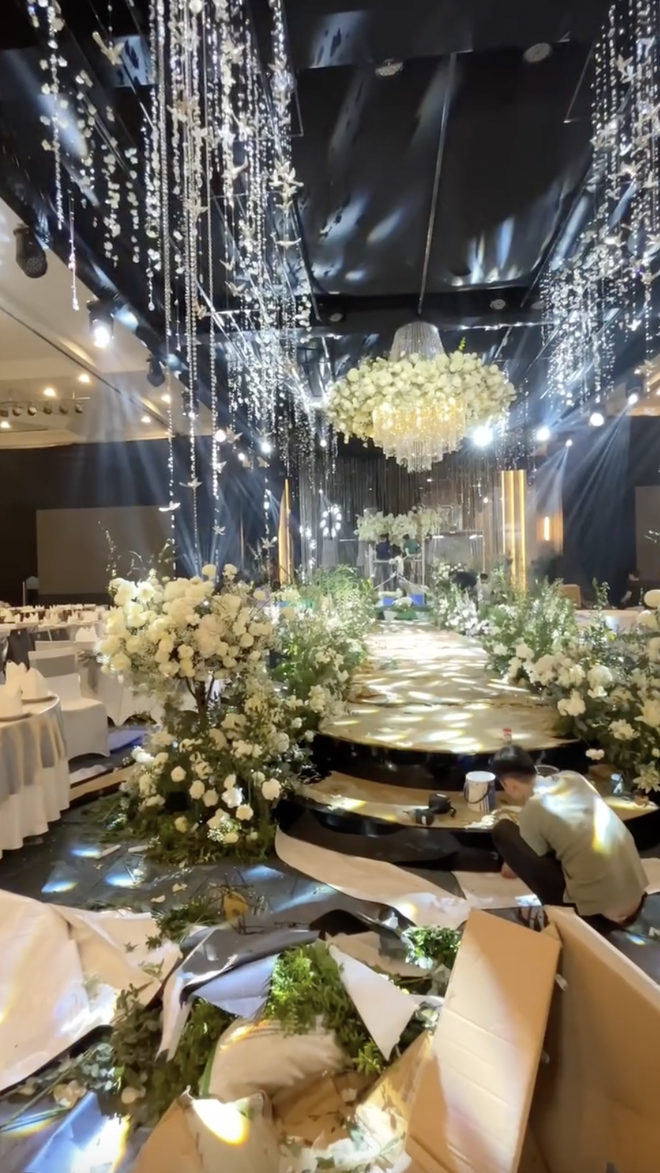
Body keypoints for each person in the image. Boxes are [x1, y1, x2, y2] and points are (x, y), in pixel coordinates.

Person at [489, 744, 646, 926]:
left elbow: (509, 872)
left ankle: (560, 918)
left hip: (598, 919)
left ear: (509, 785)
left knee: (503, 830)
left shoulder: (533, 808)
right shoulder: (574, 777)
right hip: (638, 903)